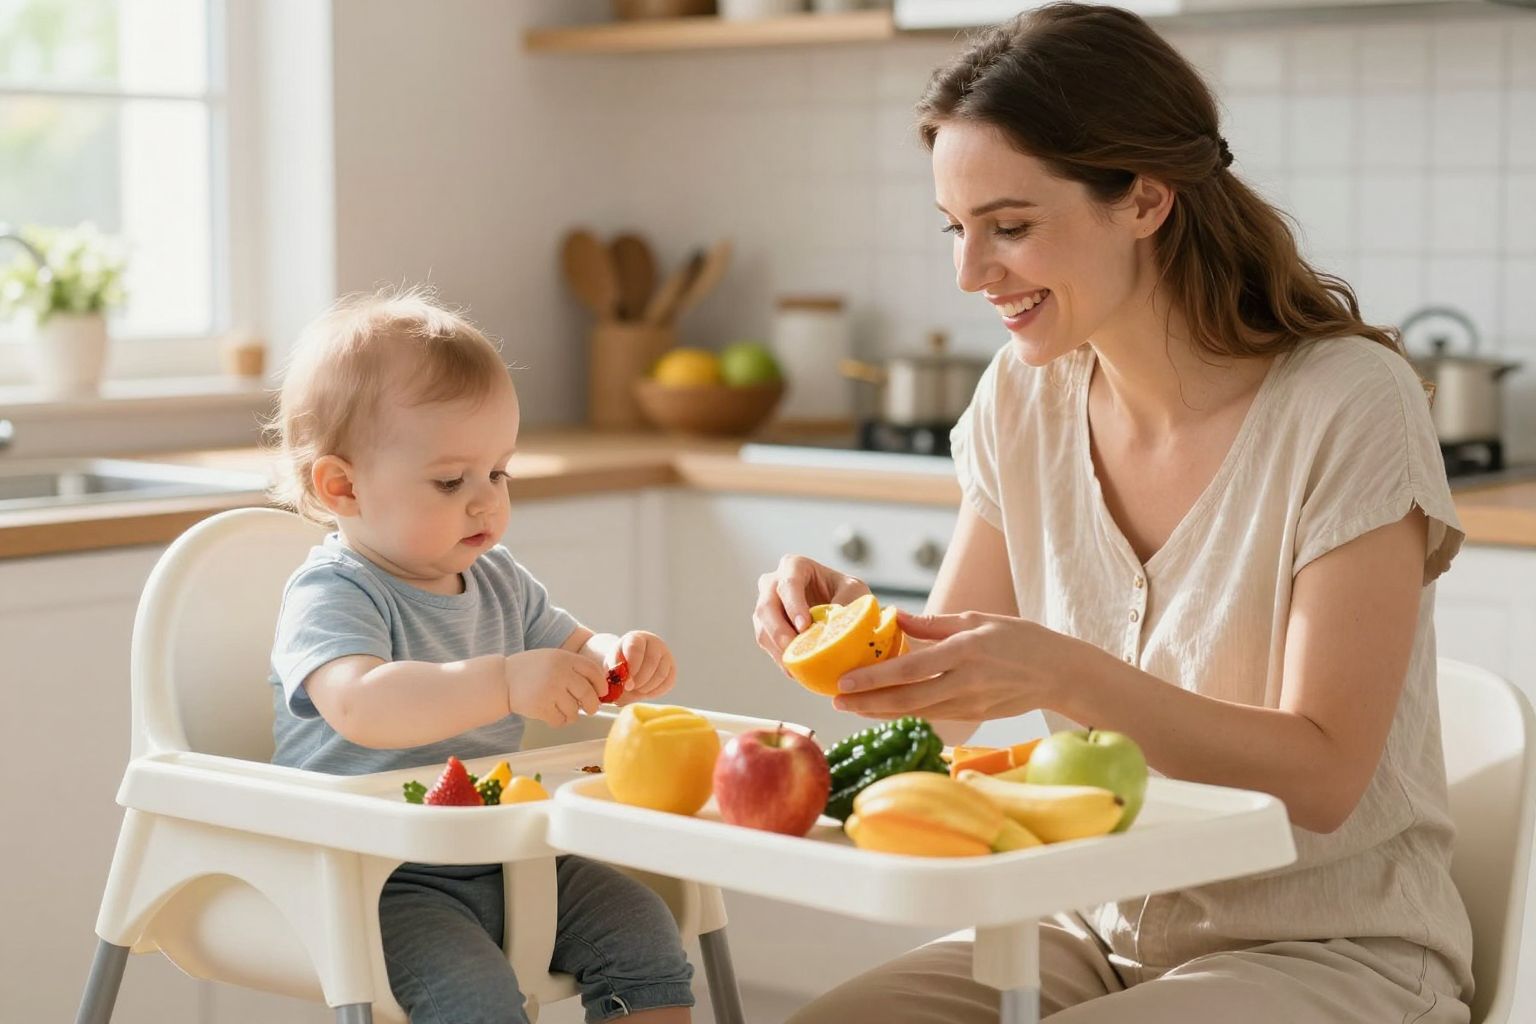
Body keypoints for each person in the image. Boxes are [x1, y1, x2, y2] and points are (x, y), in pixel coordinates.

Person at [753, 5, 1472, 1022]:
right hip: (1082, 922)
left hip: (1330, 946)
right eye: (958, 230)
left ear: (1143, 198)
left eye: (1009, 226)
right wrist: (848, 629)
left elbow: (1324, 775)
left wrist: (1062, 669)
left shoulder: (1348, 402)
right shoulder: (1023, 395)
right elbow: (951, 706)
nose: (971, 272)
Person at [268, 288, 695, 1024]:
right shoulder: (332, 594)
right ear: (342, 487)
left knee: (644, 932)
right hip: (378, 876)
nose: (485, 502)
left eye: (499, 473)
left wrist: (616, 653)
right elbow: (361, 704)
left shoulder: (498, 579)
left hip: (505, 849)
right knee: (474, 999)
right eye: (450, 480)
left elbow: (572, 646)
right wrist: (502, 681)